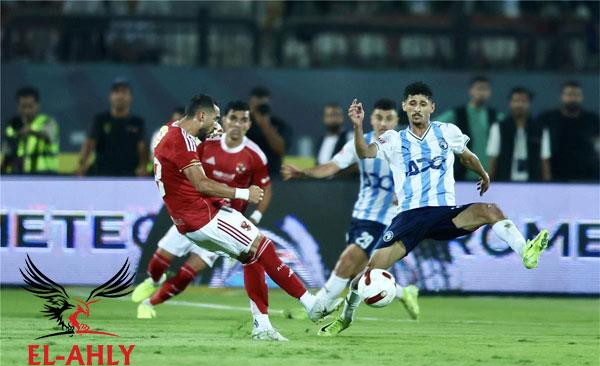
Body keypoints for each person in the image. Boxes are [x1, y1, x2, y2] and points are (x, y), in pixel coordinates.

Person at [320, 82, 550, 336]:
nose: (417, 108)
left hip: (444, 214)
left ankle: (526, 252)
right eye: (412, 103)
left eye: (423, 104)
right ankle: (345, 318)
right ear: (405, 107)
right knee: (367, 275)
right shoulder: (393, 139)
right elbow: (364, 152)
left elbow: (467, 156)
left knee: (490, 210)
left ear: (432, 107)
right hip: (410, 218)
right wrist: (357, 125)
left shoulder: (447, 131)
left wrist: (483, 173)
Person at [152, 93, 333, 333]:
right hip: (203, 215)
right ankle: (311, 303)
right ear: (202, 115)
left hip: (191, 216)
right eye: (216, 118)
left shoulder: (170, 130)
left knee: (251, 257)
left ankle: (262, 326)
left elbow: (177, 159)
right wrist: (244, 193)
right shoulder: (183, 141)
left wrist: (202, 137)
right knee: (263, 246)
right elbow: (202, 184)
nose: (218, 125)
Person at [133, 101, 284, 340]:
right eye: (222, 118)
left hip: (219, 217)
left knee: (189, 271)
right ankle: (153, 280)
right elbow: (197, 177)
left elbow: (266, 188)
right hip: (193, 209)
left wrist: (254, 215)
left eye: (241, 120)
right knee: (160, 260)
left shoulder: (251, 153)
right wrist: (242, 192)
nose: (224, 123)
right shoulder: (194, 142)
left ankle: (149, 303)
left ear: (247, 124)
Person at [281, 98, 418, 320]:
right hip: (361, 215)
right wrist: (304, 173)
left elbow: (423, 175)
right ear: (371, 119)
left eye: (389, 118)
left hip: (387, 219)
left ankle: (316, 307)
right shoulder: (361, 143)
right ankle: (404, 292)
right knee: (358, 272)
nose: (383, 123)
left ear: (396, 121)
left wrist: (406, 191)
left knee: (348, 261)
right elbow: (332, 166)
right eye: (379, 117)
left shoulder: (407, 146)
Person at [77, 78, 148, 176]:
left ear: (130, 97)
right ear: (110, 96)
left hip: (129, 175)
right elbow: (90, 143)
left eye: (124, 92)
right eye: (116, 92)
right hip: (101, 174)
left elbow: (142, 147)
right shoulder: (100, 120)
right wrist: (82, 164)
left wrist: (143, 166)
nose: (120, 96)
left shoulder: (137, 122)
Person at [437, 76, 502, 181]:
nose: (482, 92)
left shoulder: (496, 116)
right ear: (470, 91)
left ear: (490, 93)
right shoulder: (458, 114)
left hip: (490, 175)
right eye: (478, 88)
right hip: (461, 175)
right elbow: (433, 126)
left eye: (485, 89)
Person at [538, 81, 600, 182]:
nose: (573, 98)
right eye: (569, 94)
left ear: (582, 97)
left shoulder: (592, 120)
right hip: (555, 175)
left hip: (587, 177)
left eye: (576, 95)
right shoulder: (547, 119)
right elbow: (542, 151)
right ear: (561, 97)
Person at [487, 87, 551, 182]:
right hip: (505, 181)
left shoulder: (540, 129)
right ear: (510, 103)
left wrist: (548, 184)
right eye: (516, 101)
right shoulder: (498, 127)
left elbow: (544, 159)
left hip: (533, 182)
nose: (519, 105)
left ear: (529, 104)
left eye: (523, 101)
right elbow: (493, 158)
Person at [1, 86, 59, 174]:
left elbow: (48, 136)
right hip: (18, 175)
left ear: (38, 105)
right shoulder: (11, 125)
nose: (27, 111)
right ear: (18, 106)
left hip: (46, 175)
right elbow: (7, 154)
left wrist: (30, 131)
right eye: (23, 106)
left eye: (30, 106)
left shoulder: (48, 122)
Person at [246, 86, 292, 176]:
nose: (260, 109)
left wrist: (265, 125)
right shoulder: (243, 124)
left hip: (271, 175)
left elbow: (281, 149)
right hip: (246, 174)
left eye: (263, 106)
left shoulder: (279, 125)